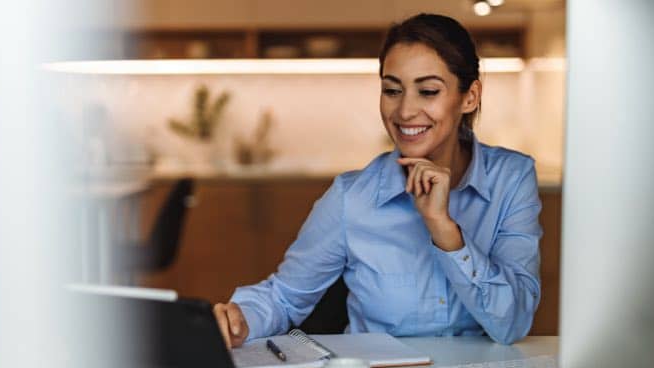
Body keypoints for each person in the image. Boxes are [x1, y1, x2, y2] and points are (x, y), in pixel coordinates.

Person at [214, 13, 542, 347]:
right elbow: (284, 297)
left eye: (428, 91)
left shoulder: (511, 179)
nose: (405, 111)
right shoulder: (350, 197)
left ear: (470, 96)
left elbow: (513, 323)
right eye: (392, 90)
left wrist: (444, 229)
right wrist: (239, 319)